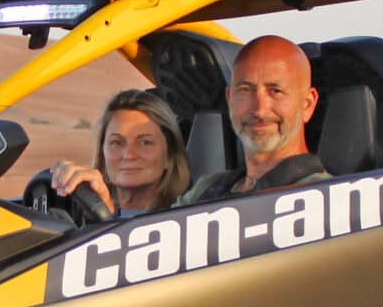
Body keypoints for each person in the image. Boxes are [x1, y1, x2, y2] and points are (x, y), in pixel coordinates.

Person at [178, 35, 330, 202]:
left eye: (275, 91)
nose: (259, 110)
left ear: (307, 104)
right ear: (230, 99)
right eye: (245, 90)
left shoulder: (328, 201)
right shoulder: (205, 191)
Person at [40, 89, 190, 216]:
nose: (128, 155)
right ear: (102, 152)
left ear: (169, 155)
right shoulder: (78, 211)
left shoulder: (187, 221)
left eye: (145, 142)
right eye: (117, 142)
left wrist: (105, 215)